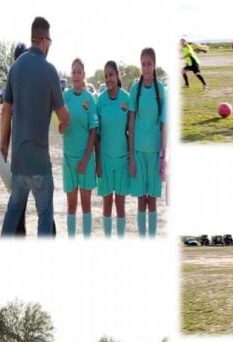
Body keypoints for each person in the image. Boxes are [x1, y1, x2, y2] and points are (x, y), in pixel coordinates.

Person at [0, 17, 70, 238]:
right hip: (40, 162)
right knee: (45, 217)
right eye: (50, 41)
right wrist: (64, 124)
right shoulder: (49, 70)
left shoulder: (15, 68)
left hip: (19, 161)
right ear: (43, 39)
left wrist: (3, 147)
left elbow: (5, 111)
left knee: (13, 212)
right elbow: (63, 115)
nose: (50, 45)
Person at [128, 48, 167, 238]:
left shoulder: (161, 90)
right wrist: (131, 157)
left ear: (154, 65)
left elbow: (164, 124)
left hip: (155, 153)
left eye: (149, 63)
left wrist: (163, 156)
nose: (146, 67)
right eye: (143, 64)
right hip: (138, 152)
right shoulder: (135, 90)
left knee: (152, 201)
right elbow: (131, 123)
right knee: (141, 201)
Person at [61, 58, 97, 239]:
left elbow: (93, 131)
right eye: (73, 71)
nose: (76, 75)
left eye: (79, 71)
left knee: (86, 206)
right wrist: (61, 127)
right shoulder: (65, 97)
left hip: (86, 160)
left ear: (84, 74)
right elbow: (60, 127)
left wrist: (85, 160)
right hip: (69, 159)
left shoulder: (89, 98)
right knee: (71, 206)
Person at [96, 61, 129, 238]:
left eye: (111, 75)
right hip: (106, 161)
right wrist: (98, 162)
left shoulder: (127, 98)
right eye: (106, 76)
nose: (108, 79)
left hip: (122, 160)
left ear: (117, 75)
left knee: (121, 205)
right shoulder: (100, 101)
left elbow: (131, 130)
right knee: (107, 204)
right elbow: (96, 134)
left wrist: (132, 158)